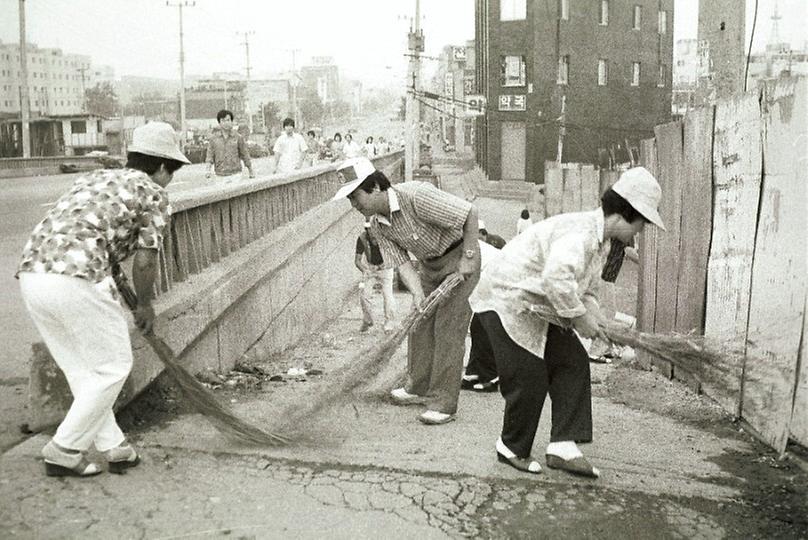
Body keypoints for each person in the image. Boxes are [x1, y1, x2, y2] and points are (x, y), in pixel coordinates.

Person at [17, 122, 190, 477]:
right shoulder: (153, 192)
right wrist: (144, 304)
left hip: (34, 273)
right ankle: (64, 449)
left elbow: (96, 235)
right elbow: (145, 257)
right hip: (77, 277)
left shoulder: (92, 179)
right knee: (113, 367)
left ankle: (115, 447)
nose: (168, 180)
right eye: (171, 172)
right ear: (160, 167)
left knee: (84, 371)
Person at [469, 167, 665, 477]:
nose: (640, 233)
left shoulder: (604, 244)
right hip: (505, 299)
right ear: (627, 213)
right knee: (529, 374)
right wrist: (579, 317)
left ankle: (563, 445)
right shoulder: (582, 233)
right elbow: (556, 279)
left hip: (539, 305)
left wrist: (597, 320)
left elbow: (586, 290)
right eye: (641, 224)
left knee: (573, 361)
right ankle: (511, 447)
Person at [333, 157, 481, 425]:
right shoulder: (377, 225)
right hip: (429, 266)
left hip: (459, 257)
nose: (353, 205)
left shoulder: (416, 195)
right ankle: (418, 387)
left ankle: (444, 403)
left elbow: (469, 213)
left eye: (355, 197)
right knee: (420, 323)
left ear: (375, 187)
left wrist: (469, 256)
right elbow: (402, 263)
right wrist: (417, 293)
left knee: (447, 330)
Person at [462, 237, 502, 393]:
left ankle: (492, 376)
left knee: (486, 325)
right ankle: (474, 372)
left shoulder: (461, 242)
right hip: (485, 275)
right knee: (477, 326)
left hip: (496, 274)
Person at [356, 221, 396, 333]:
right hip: (371, 267)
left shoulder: (385, 236)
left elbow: (394, 254)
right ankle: (368, 320)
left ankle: (389, 324)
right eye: (370, 230)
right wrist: (365, 270)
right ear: (367, 230)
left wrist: (383, 265)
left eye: (374, 229)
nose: (372, 232)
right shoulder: (362, 239)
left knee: (388, 295)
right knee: (363, 293)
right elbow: (357, 260)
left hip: (386, 268)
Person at [206, 109, 254, 180]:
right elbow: (210, 156)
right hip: (220, 175)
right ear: (219, 123)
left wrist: (251, 171)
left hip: (236, 175)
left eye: (228, 120)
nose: (226, 123)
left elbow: (245, 155)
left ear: (231, 121)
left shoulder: (238, 137)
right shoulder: (213, 139)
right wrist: (208, 170)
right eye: (223, 121)